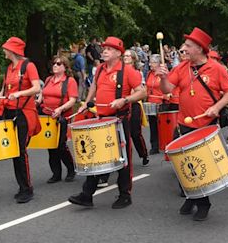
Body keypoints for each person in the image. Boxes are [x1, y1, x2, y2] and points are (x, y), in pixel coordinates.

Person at [157, 27, 228, 221]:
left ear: (200, 49)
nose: (183, 49)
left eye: (188, 45)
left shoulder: (216, 69)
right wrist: (163, 77)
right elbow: (167, 89)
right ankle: (190, 196)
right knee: (181, 164)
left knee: (201, 166)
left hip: (205, 124)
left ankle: (203, 203)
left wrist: (216, 107)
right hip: (184, 124)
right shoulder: (182, 67)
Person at [68, 36, 146, 209]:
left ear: (118, 53)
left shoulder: (128, 71)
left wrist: (124, 100)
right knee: (96, 156)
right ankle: (87, 195)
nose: (104, 51)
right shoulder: (101, 69)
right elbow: (94, 87)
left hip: (119, 119)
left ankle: (125, 194)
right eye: (104, 48)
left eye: (109, 49)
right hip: (101, 118)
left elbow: (142, 92)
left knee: (123, 158)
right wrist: (85, 104)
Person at [0, 37, 41, 203]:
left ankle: (27, 188)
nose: (3, 51)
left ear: (12, 50)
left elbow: (36, 87)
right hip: (10, 113)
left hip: (24, 113)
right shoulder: (9, 68)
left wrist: (19, 94)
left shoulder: (28, 66)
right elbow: (5, 89)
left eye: (5, 48)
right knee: (14, 152)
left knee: (21, 151)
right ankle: (22, 186)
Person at [38, 55, 77, 183]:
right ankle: (56, 173)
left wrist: (60, 109)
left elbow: (72, 100)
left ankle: (71, 169)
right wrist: (37, 102)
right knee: (50, 145)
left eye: (59, 64)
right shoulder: (49, 79)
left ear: (65, 67)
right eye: (54, 63)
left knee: (60, 145)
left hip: (61, 117)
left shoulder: (69, 81)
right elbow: (42, 96)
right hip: (47, 116)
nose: (55, 65)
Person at [123, 49, 149, 165]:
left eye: (128, 56)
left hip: (134, 104)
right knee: (123, 134)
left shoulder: (136, 73)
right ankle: (125, 158)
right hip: (122, 105)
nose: (125, 58)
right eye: (124, 56)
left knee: (135, 133)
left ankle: (143, 154)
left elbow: (140, 90)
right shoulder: (119, 72)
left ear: (133, 59)